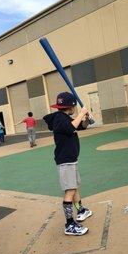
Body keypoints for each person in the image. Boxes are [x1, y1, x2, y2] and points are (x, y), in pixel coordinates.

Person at [43, 92, 93, 236]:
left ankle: (81, 210)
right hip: (65, 160)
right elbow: (71, 127)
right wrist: (82, 112)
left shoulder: (63, 117)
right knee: (70, 190)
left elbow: (79, 127)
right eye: (74, 107)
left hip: (70, 159)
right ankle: (69, 224)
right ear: (70, 107)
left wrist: (86, 120)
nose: (75, 109)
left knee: (74, 186)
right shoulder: (59, 118)